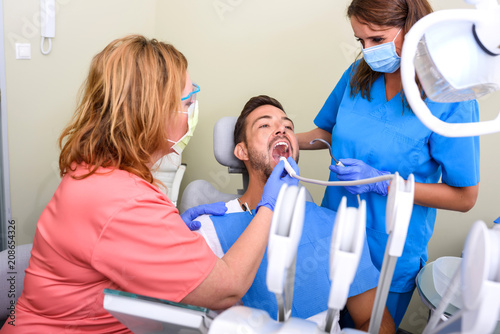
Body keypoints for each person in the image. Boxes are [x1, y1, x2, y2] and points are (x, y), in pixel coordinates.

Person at [0, 36, 297, 333]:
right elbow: (227, 288)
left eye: (286, 125)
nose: (193, 106)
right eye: (187, 100)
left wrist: (167, 229)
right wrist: (270, 205)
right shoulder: (122, 200)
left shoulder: (98, 172)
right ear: (153, 112)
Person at [296, 0, 480, 328]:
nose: (367, 51)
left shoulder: (450, 98)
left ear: (412, 29)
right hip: (333, 232)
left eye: (377, 40)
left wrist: (387, 183)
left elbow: (464, 197)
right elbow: (325, 132)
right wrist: (280, 142)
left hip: (391, 247)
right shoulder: (358, 75)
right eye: (360, 41)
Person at [193, 95, 395, 333]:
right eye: (265, 125)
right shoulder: (207, 229)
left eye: (288, 126)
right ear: (242, 151)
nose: (281, 130)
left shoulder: (336, 225)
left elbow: (375, 320)